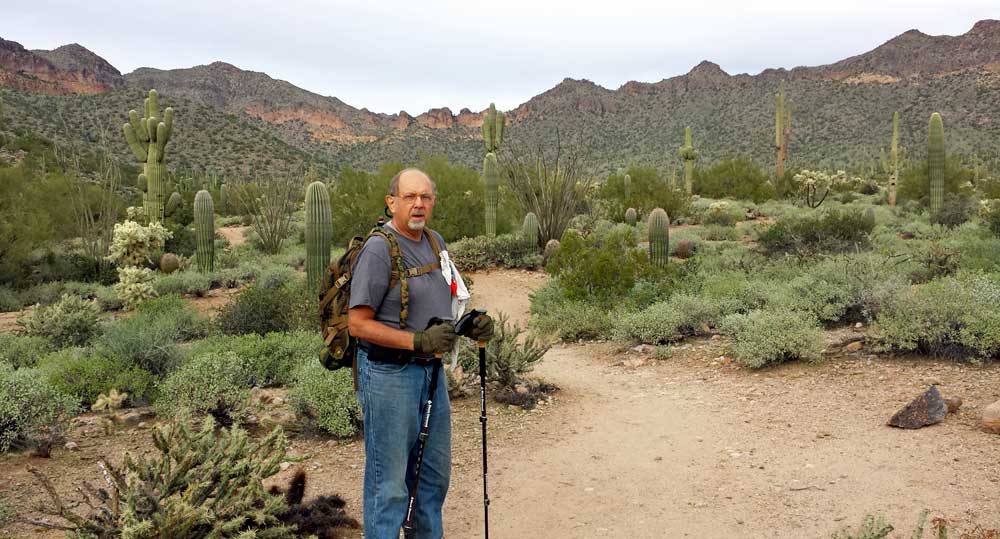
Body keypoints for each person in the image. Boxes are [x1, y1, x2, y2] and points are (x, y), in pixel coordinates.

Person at [347, 168, 493, 539]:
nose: (418, 204)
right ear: (391, 201)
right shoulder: (380, 249)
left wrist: (467, 325)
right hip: (388, 376)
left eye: (425, 197)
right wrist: (416, 343)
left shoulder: (434, 241)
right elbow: (358, 324)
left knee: (431, 479)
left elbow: (447, 302)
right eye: (410, 197)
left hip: (430, 374)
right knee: (391, 486)